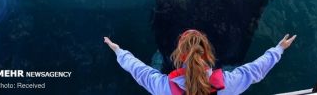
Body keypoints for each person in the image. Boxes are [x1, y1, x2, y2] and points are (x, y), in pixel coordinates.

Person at [104, 30, 297, 94]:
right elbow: (254, 71)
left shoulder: (164, 88)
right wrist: (278, 49)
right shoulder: (227, 85)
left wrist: (118, 51)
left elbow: (138, 70)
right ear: (207, 54)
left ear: (180, 56)